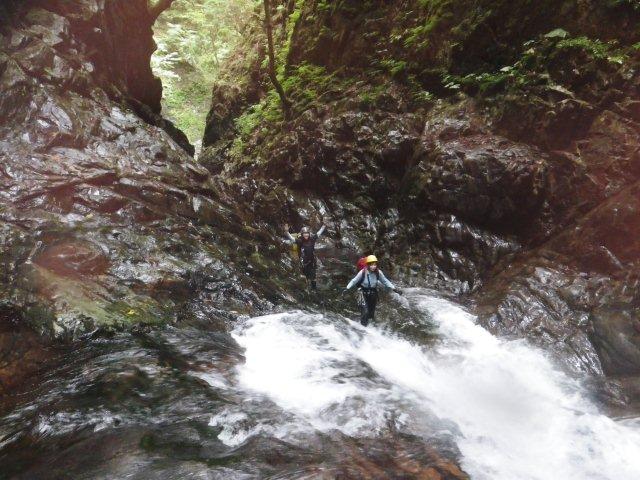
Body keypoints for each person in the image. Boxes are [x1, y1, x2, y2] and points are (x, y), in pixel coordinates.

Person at [343, 255, 401, 326]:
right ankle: (363, 328)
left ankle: (369, 327)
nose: (373, 267)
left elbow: (385, 281)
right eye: (371, 265)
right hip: (362, 293)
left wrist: (394, 288)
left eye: (375, 265)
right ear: (368, 265)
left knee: (370, 314)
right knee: (365, 312)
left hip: (373, 293)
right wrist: (347, 288)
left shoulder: (378, 272)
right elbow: (354, 281)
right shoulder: (362, 272)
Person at [284, 223, 326, 289]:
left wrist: (324, 225)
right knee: (305, 277)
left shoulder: (312, 239)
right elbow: (291, 238)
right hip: (304, 263)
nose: (306, 235)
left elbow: (318, 233)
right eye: (304, 233)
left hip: (312, 261)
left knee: (313, 277)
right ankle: (306, 288)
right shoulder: (300, 241)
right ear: (302, 234)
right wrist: (286, 232)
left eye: (307, 233)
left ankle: (314, 289)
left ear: (309, 234)